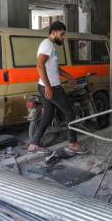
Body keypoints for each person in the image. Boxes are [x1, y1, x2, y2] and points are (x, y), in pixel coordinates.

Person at [28, 21, 86, 155]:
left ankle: (34, 144)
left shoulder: (50, 46)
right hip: (52, 87)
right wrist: (48, 87)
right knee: (70, 112)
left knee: (48, 115)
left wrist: (68, 76)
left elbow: (53, 67)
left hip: (46, 86)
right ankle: (72, 143)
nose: (63, 37)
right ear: (53, 33)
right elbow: (39, 65)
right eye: (62, 34)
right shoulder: (47, 45)